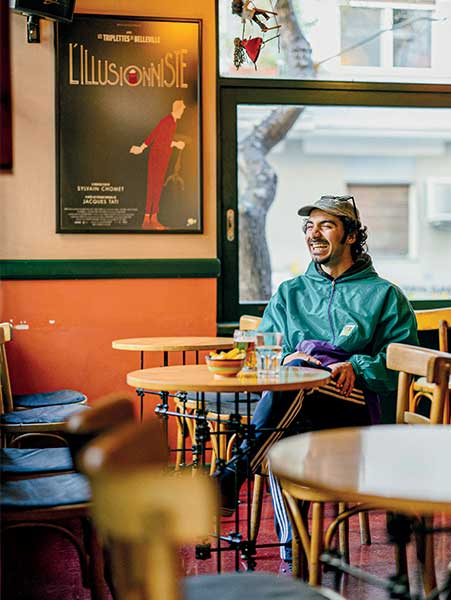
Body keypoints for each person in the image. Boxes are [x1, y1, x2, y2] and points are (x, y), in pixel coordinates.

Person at [214, 194, 419, 573]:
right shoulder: (289, 293)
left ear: (351, 236)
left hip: (354, 408)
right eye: (309, 226)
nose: (314, 234)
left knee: (291, 399)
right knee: (286, 430)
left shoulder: (385, 295)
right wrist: (287, 360)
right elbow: (265, 353)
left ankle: (233, 474)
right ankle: (294, 550)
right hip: (295, 409)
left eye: (326, 225)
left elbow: (401, 361)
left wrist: (356, 366)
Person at [130, 99, 186, 230]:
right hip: (157, 157)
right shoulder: (167, 121)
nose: (182, 113)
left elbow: (163, 138)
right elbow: (156, 136)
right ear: (177, 109)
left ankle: (153, 218)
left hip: (162, 157)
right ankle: (147, 220)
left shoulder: (172, 122)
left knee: (158, 186)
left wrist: (142, 147)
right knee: (153, 186)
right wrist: (176, 144)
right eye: (182, 110)